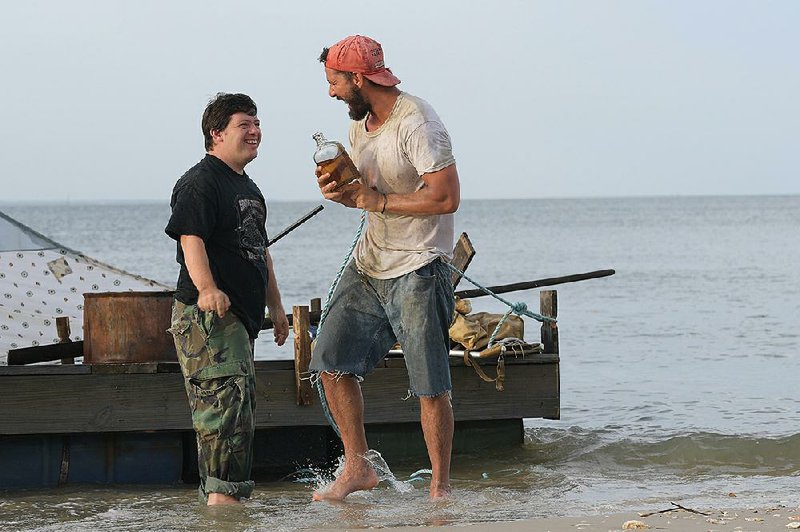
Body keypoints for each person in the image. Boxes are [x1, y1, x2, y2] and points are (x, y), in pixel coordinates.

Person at [310, 35, 461, 501]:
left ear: (358, 78)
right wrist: (345, 189)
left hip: (419, 266)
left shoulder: (418, 123)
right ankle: (357, 466)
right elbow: (367, 190)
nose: (330, 92)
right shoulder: (360, 125)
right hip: (370, 263)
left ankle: (439, 489)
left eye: (334, 82)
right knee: (330, 361)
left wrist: (379, 200)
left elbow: (446, 197)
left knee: (429, 385)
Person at [165, 92, 289, 505]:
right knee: (222, 412)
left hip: (239, 319)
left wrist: (277, 307)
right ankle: (222, 503)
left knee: (239, 409)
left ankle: (227, 500)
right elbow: (190, 239)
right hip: (208, 320)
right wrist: (207, 288)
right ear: (216, 133)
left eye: (257, 123)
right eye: (244, 125)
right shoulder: (201, 181)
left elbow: (259, 251)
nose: (255, 131)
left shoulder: (247, 186)